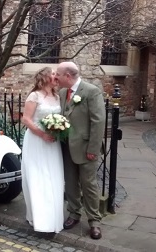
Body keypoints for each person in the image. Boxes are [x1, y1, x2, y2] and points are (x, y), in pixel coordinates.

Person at [55, 61, 106, 239]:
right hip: (66, 146)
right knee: (70, 183)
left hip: (85, 148)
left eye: (58, 75)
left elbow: (98, 122)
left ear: (68, 76)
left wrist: (93, 148)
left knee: (89, 184)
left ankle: (94, 221)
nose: (55, 78)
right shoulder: (62, 93)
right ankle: (74, 213)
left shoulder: (91, 91)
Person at [21, 67, 64, 233]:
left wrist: (59, 129)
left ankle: (53, 216)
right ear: (45, 77)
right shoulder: (35, 95)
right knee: (38, 178)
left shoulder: (57, 96)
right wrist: (42, 134)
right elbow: (26, 119)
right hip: (36, 141)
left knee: (53, 177)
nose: (56, 77)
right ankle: (39, 218)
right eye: (53, 74)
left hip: (53, 143)